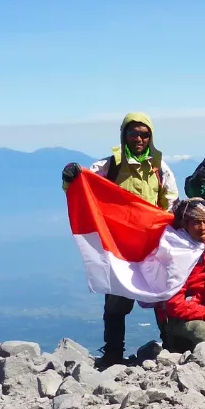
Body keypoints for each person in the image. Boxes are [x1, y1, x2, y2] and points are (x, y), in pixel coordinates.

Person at [61, 111, 179, 368]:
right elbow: (84, 183)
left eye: (144, 134)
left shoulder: (159, 166)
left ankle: (171, 347)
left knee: (161, 295)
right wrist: (70, 177)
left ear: (151, 137)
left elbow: (170, 201)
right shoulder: (110, 164)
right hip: (120, 246)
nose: (139, 138)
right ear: (124, 134)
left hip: (150, 243)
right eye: (134, 133)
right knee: (116, 299)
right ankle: (113, 353)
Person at [153, 198, 205, 351]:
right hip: (178, 319)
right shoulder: (176, 254)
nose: (202, 227)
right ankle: (177, 344)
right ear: (184, 224)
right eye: (196, 222)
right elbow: (174, 306)